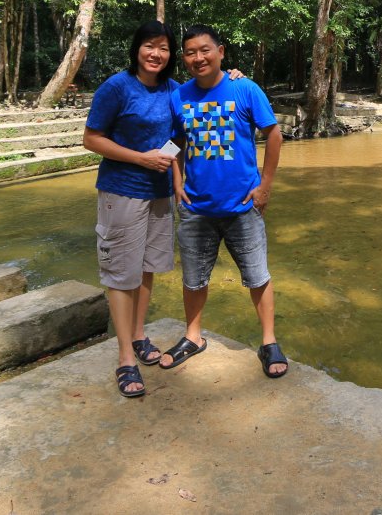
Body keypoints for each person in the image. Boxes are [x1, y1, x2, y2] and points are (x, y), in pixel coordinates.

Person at [160, 24, 288, 379]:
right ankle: (192, 337)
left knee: (258, 277)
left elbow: (273, 134)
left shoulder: (244, 88)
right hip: (196, 208)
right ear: (184, 58)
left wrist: (266, 186)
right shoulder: (180, 96)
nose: (197, 58)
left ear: (221, 51)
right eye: (190, 52)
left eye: (205, 50)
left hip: (243, 206)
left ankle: (269, 342)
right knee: (193, 278)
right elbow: (174, 143)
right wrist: (176, 181)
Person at [82, 20, 182, 398]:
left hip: (159, 195)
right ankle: (126, 357)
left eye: (164, 48)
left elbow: (178, 136)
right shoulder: (117, 87)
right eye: (149, 46)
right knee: (121, 274)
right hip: (121, 192)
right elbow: (91, 139)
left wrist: (234, 74)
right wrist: (141, 159)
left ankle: (139, 335)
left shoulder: (174, 89)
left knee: (146, 268)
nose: (156, 54)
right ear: (137, 49)